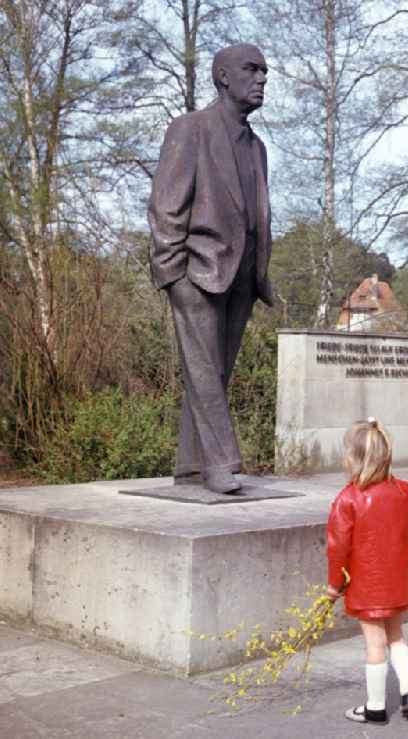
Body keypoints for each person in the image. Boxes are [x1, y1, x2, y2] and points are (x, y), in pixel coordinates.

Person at [148, 44, 273, 495]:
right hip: (196, 273)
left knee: (213, 375)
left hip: (241, 278)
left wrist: (259, 273)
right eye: (251, 69)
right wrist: (172, 274)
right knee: (204, 371)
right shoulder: (191, 129)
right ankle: (222, 463)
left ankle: (190, 466)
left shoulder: (257, 148)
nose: (261, 78)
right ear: (223, 76)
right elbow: (165, 206)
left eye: (264, 71)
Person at [326, 418, 408, 725]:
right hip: (397, 582)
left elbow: (338, 549)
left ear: (352, 458)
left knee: (374, 644)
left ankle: (375, 707)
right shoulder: (403, 491)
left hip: (366, 587)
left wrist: (334, 586)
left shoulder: (347, 500)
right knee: (397, 637)